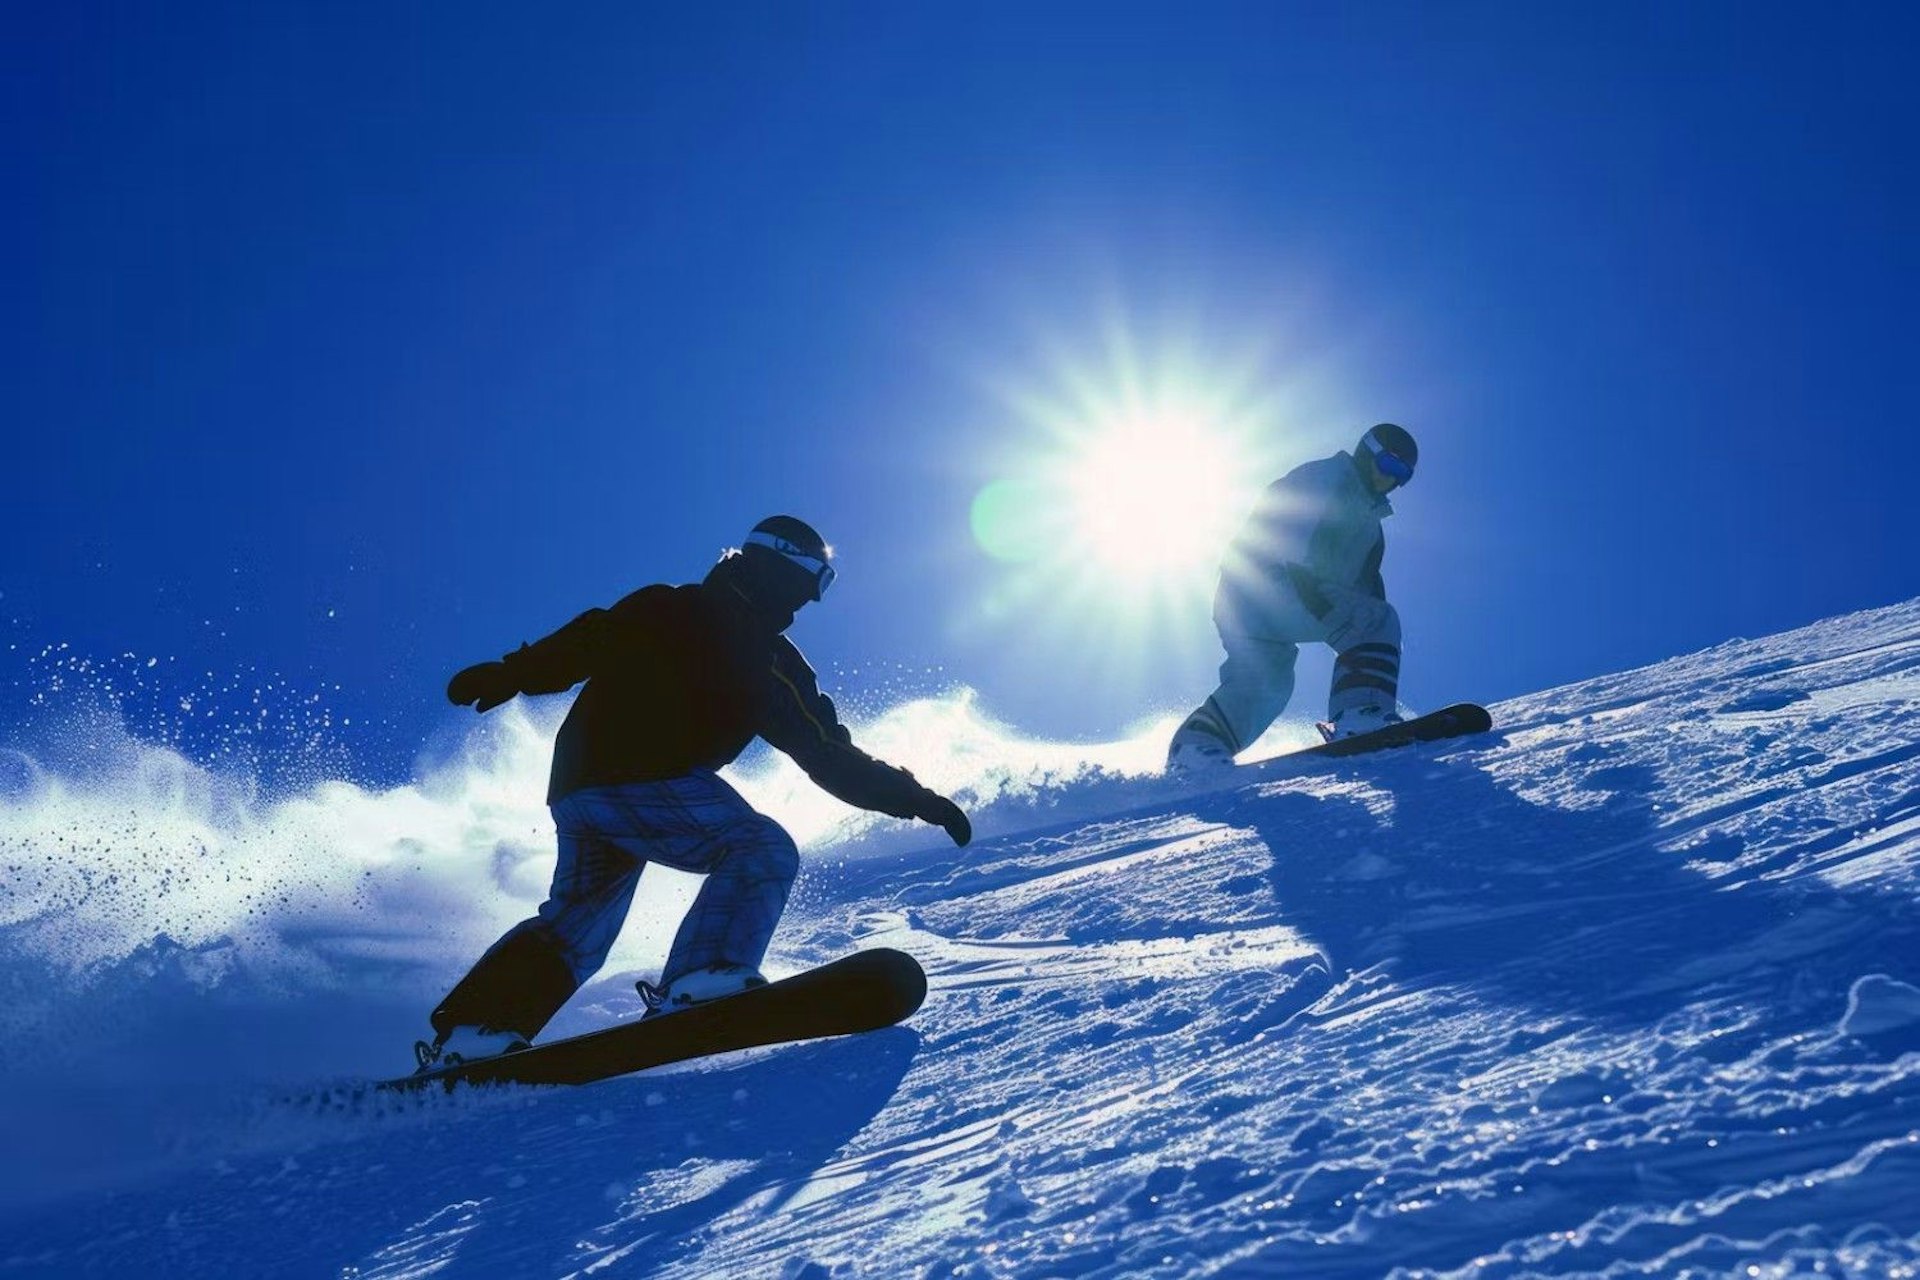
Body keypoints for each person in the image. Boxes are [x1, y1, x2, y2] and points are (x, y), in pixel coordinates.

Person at [414, 515, 972, 1071]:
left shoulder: (756, 651)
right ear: (777, 565)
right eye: (811, 583)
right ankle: (704, 976)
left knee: (577, 923)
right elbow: (591, 639)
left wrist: (913, 798)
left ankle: (478, 1031)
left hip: (587, 792)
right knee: (758, 845)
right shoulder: (696, 620)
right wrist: (512, 673)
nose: (808, 602)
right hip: (638, 778)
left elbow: (826, 752)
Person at [1166, 423, 1419, 771]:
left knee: (1269, 684)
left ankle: (1197, 747)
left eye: (1402, 476)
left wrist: (1373, 642)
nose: (1390, 479)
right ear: (1367, 451)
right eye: (1389, 464)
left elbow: (1369, 590)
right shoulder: (1329, 477)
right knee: (1375, 620)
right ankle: (1361, 715)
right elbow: (1286, 517)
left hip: (1245, 606)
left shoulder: (1371, 530)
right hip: (1269, 582)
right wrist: (1309, 588)